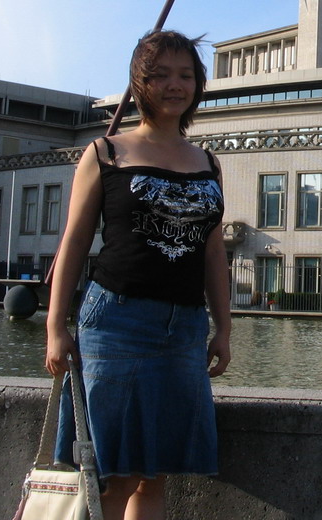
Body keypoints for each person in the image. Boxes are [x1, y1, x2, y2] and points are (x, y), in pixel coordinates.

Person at [45, 29, 231, 520]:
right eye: (162, 74)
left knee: (155, 474)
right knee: (115, 475)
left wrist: (224, 327)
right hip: (116, 323)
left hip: (184, 329)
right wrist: (55, 327)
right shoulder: (106, 153)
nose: (176, 84)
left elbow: (214, 253)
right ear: (140, 82)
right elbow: (75, 243)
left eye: (186, 75)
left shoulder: (207, 162)